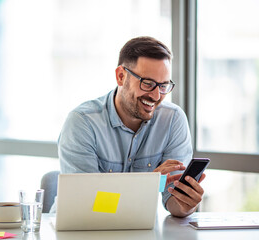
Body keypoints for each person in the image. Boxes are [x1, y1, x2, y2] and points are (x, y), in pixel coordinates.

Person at [56, 36, 205, 217]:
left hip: (139, 229)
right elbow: (88, 203)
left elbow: (172, 201)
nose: (157, 95)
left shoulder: (173, 120)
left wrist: (185, 205)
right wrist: (145, 185)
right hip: (81, 229)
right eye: (148, 84)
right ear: (121, 76)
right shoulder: (82, 123)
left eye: (163, 85)